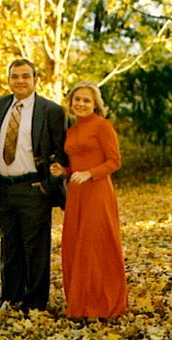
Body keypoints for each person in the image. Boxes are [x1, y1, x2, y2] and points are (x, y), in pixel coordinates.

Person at [0, 59, 67, 314]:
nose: (20, 81)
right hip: (5, 189)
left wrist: (49, 184)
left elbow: (63, 151)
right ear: (8, 79)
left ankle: (34, 302)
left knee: (35, 248)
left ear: (35, 80)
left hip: (34, 188)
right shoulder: (1, 104)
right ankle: (9, 297)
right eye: (15, 76)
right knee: (9, 246)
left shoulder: (51, 111)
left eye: (25, 76)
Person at [50, 81, 127, 319]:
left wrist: (90, 173)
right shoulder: (71, 131)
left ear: (95, 104)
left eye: (86, 100)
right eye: (77, 99)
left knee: (96, 247)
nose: (81, 104)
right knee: (76, 246)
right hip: (76, 195)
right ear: (71, 102)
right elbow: (75, 166)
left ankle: (104, 305)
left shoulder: (102, 126)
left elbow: (114, 161)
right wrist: (63, 171)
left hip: (98, 193)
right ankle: (81, 305)